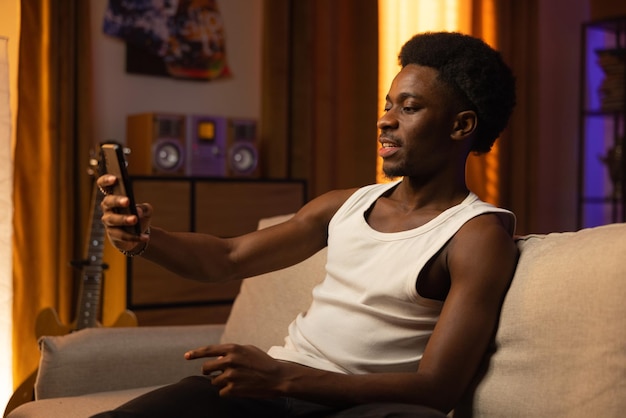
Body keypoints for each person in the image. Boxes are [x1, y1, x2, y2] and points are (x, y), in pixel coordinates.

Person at [94, 31, 517, 418]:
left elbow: (437, 389)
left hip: (358, 405)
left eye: (409, 108)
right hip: (269, 394)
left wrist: (283, 377)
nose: (385, 120)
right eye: (388, 105)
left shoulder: (476, 235)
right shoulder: (344, 206)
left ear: (461, 125)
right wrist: (144, 238)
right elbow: (226, 258)